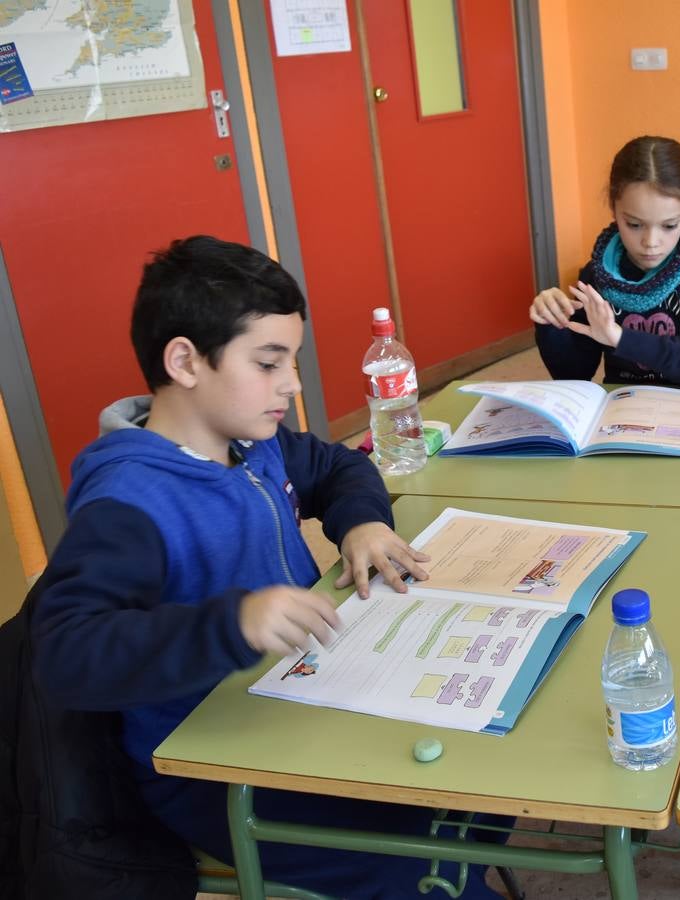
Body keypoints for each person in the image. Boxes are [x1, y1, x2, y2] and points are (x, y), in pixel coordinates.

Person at [29, 236, 505, 899]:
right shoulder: (128, 502)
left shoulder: (253, 442)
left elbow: (340, 465)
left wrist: (362, 520)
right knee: (426, 869)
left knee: (492, 779)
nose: (293, 385)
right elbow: (66, 652)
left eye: (293, 361)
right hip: (212, 770)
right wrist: (236, 621)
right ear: (185, 361)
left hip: (302, 703)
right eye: (269, 362)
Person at [530, 135, 680, 389]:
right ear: (613, 208)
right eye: (634, 224)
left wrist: (623, 339)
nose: (651, 242)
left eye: (669, 225)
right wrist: (553, 322)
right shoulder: (598, 275)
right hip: (624, 408)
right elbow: (575, 374)